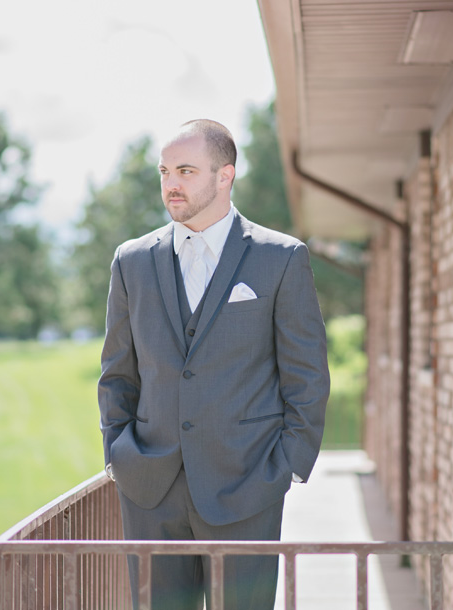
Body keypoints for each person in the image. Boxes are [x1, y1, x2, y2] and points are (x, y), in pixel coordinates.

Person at [97, 119, 330, 609]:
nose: (171, 184)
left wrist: (286, 467)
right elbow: (118, 371)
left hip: (247, 483)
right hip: (150, 488)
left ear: (225, 176)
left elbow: (306, 375)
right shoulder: (131, 261)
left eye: (185, 170)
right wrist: (118, 452)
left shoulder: (281, 259)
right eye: (164, 171)